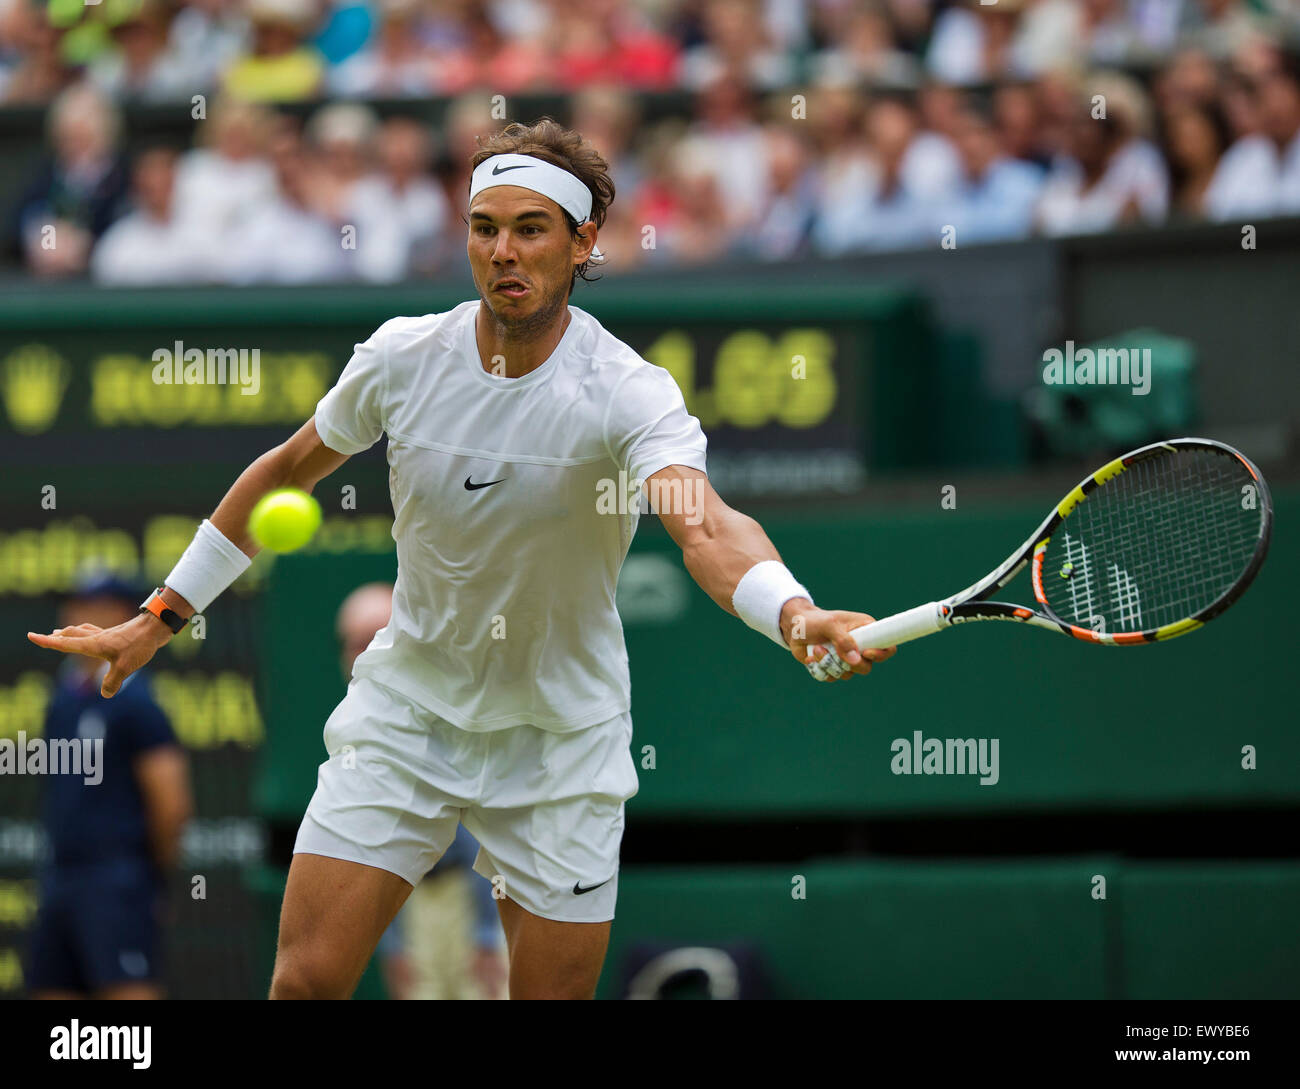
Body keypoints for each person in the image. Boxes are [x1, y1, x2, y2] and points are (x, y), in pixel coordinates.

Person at [27, 117, 896, 1000]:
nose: (503, 252)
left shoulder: (629, 393)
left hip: (561, 740)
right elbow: (283, 470)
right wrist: (158, 617)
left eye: (531, 229)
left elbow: (702, 524)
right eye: (485, 228)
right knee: (303, 984)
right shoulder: (404, 358)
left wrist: (791, 609)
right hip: (409, 717)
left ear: (582, 240)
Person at [335, 584, 507, 1000]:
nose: (364, 654)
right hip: (413, 902)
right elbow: (377, 842)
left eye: (375, 637)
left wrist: (486, 935)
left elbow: (488, 833)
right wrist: (393, 942)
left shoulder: (454, 709)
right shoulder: (355, 729)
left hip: (475, 896)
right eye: (354, 643)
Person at [24, 573, 192, 1000]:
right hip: (61, 878)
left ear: (120, 618)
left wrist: (147, 879)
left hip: (120, 880)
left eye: (92, 607)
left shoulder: (137, 704)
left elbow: (170, 804)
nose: (75, 617)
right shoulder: (62, 700)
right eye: (74, 605)